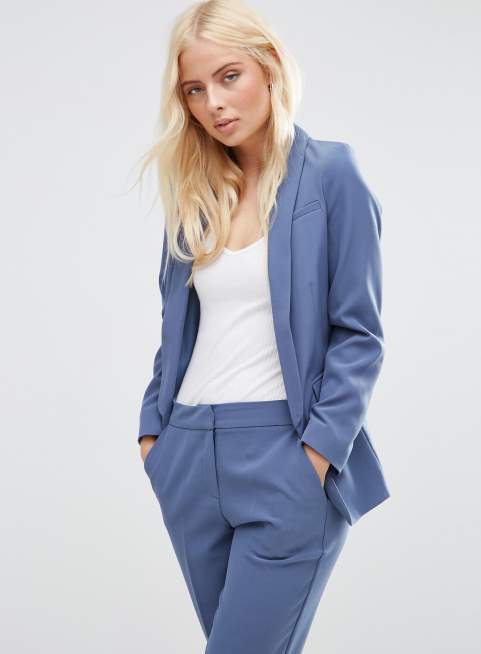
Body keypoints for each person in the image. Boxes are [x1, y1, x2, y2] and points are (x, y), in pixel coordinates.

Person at [134, 1, 390, 651]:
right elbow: (176, 332)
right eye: (195, 90)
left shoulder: (331, 175)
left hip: (285, 455)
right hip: (188, 457)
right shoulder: (196, 192)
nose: (214, 103)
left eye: (229, 77)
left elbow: (358, 334)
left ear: (269, 66)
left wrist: (316, 456)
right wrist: (153, 436)